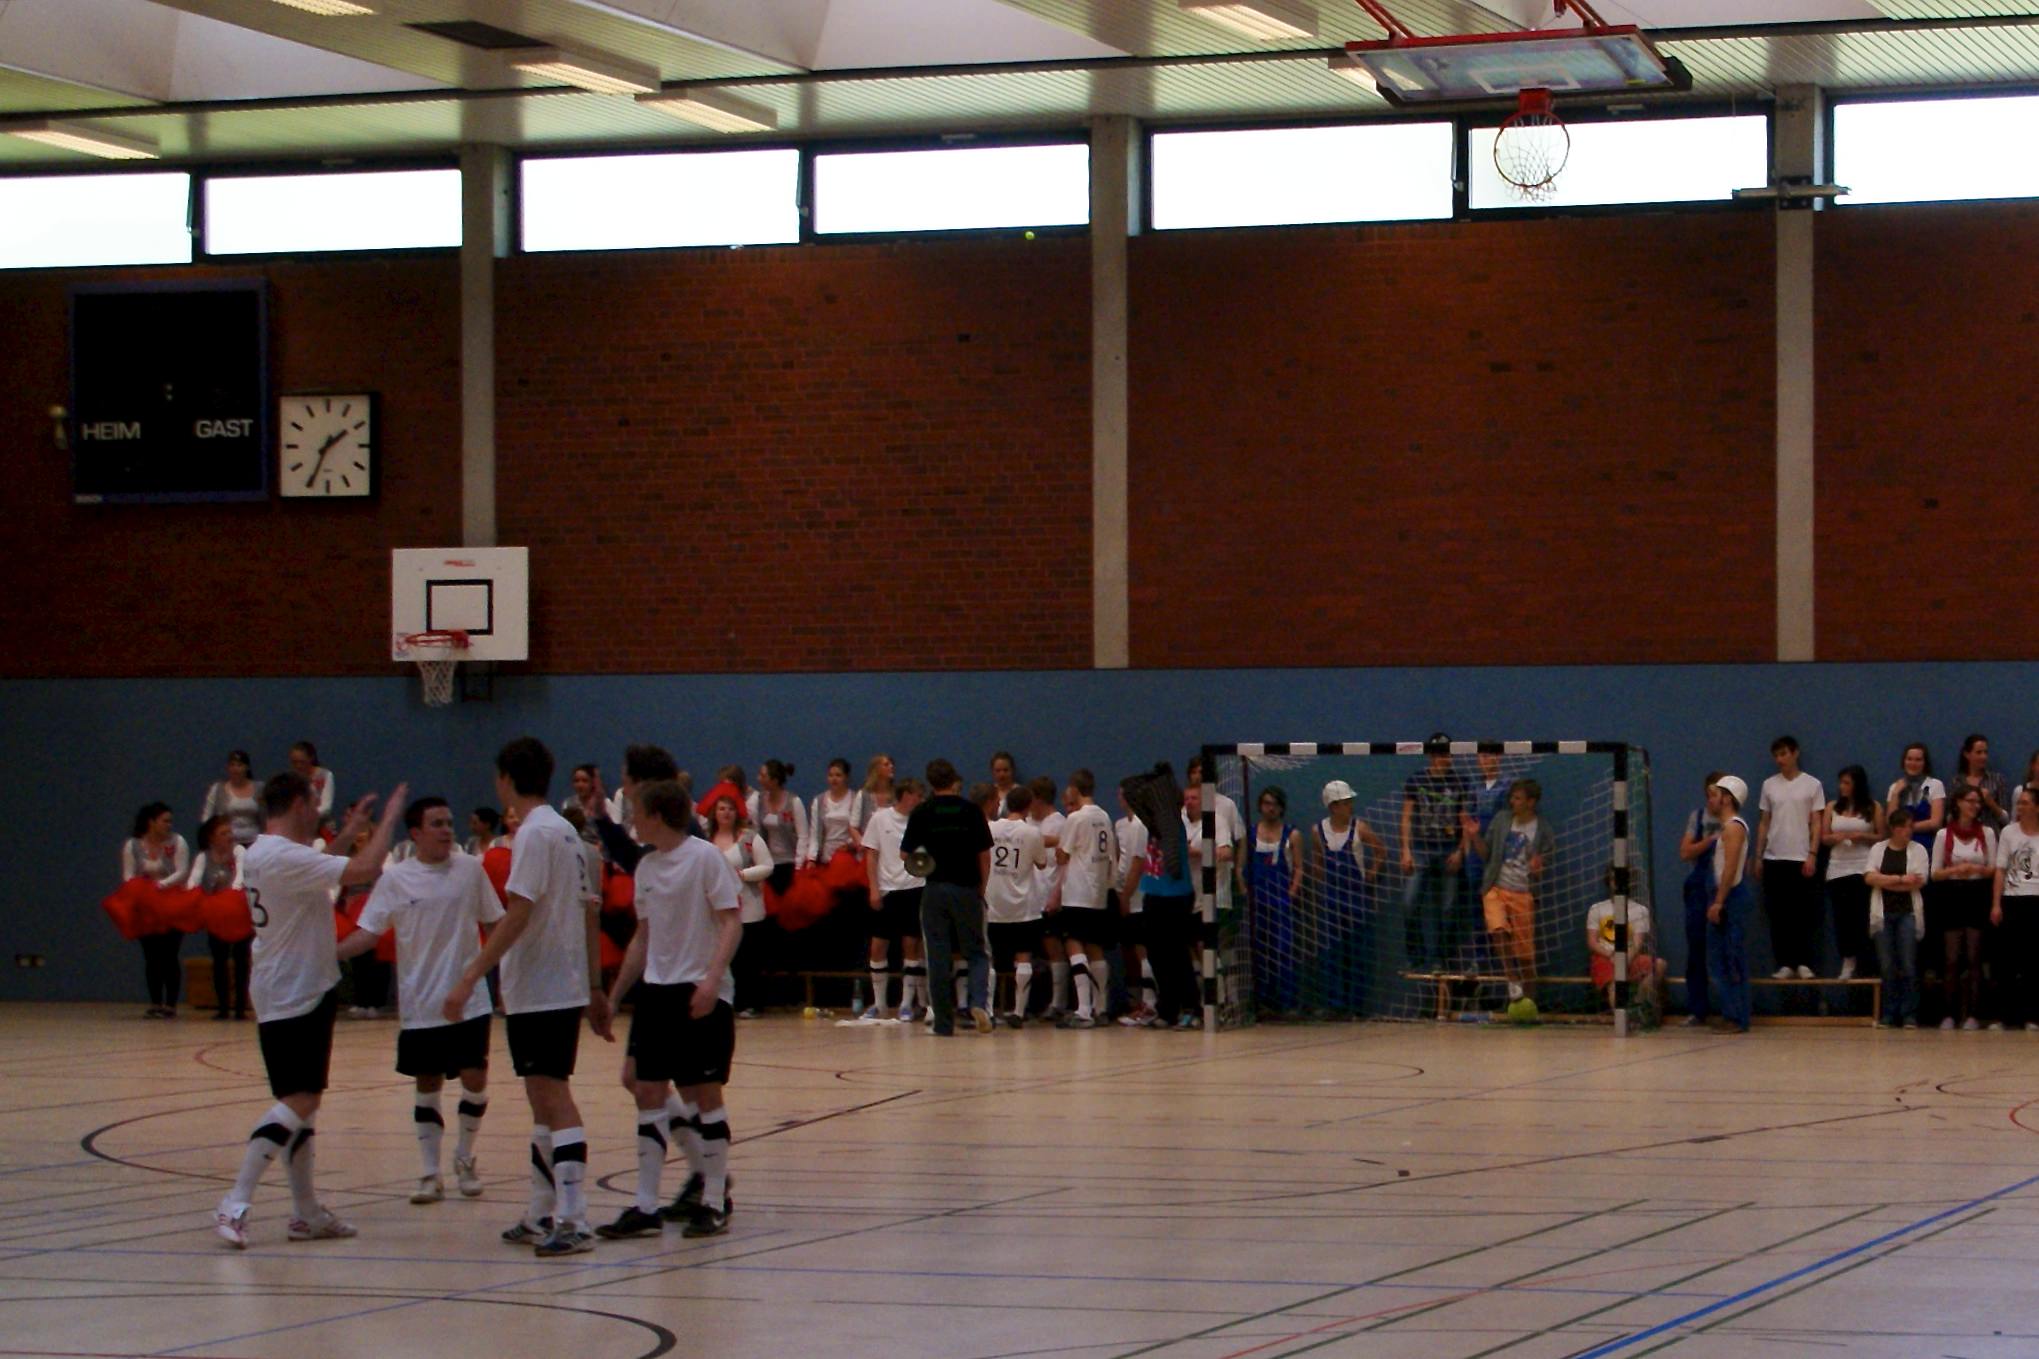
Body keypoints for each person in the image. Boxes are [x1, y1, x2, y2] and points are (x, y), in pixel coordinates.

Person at [213, 771, 405, 1248]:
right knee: (300, 1100)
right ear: (298, 804)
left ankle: (305, 1213)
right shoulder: (282, 856)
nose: (318, 810)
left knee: (301, 1106)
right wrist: (390, 819)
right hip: (297, 989)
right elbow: (362, 869)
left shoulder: (264, 852)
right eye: (313, 802)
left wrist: (350, 830)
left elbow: (318, 864)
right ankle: (236, 1200)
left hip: (282, 985)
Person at [441, 738, 611, 1258]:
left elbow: (519, 912)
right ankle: (541, 1211)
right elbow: (586, 910)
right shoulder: (565, 832)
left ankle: (574, 1218)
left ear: (506, 779)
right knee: (542, 1100)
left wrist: (472, 974)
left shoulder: (536, 834)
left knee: (553, 1096)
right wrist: (593, 986)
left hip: (543, 985)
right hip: (552, 983)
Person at [594, 780, 743, 1241]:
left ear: (657, 815)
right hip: (657, 993)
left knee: (705, 1094)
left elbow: (731, 921)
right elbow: (643, 936)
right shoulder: (647, 867)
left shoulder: (705, 858)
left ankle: (714, 1200)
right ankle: (645, 1206)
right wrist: (615, 996)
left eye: (637, 813)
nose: (632, 822)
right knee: (647, 1091)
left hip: (699, 990)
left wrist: (711, 980)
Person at [336, 797, 501, 1205]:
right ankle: (430, 1172)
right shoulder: (396, 879)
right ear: (415, 833)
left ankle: (465, 1157)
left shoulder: (470, 870)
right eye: (436, 823)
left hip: (468, 1000)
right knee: (427, 1084)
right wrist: (328, 954)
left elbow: (497, 923)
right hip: (421, 1004)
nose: (446, 830)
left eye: (448, 822)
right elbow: (369, 932)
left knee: (474, 1078)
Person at [900, 759, 993, 1036]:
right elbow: (984, 855)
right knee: (976, 952)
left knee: (937, 955)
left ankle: (943, 1022)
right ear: (954, 780)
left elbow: (905, 854)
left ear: (930, 782)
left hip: (935, 889)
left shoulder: (922, 812)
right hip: (966, 888)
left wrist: (926, 860)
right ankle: (978, 1004)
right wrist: (982, 887)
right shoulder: (971, 811)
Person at [1121, 765, 1198, 1030]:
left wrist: (1166, 785)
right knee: (1157, 956)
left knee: (1177, 955)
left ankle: (1191, 1007)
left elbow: (1174, 863)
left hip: (1176, 896)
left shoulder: (1173, 823)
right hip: (1153, 894)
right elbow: (1131, 789)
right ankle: (1168, 1008)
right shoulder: (1151, 823)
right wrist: (1154, 777)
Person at [1050, 769, 1118, 1028]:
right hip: (1098, 891)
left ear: (1076, 790)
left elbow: (1062, 855)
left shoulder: (1076, 818)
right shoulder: (1104, 816)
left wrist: (1059, 850)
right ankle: (1102, 1007)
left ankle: (1084, 1009)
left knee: (1074, 944)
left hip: (1078, 891)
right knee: (1095, 948)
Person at [699, 784, 773, 1019]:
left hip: (748, 908)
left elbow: (767, 866)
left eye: (730, 809)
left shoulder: (750, 838)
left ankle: (751, 1003)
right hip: (716, 910)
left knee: (747, 959)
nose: (726, 813)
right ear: (715, 812)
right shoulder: (705, 840)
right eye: (722, 809)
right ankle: (724, 1001)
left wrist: (742, 875)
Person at [1479, 778, 1555, 1005]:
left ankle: (1530, 1001)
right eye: (1512, 797)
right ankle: (1511, 977)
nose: (1513, 801)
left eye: (1518, 798)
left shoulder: (1543, 829)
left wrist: (1539, 865)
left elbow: (1545, 861)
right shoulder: (1502, 820)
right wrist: (1473, 836)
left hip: (1523, 892)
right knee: (1497, 928)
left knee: (1525, 956)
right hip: (1496, 887)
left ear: (1531, 802)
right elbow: (1486, 853)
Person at [1755, 736, 1824, 981]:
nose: (1780, 759)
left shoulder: (1812, 784)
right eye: (1776, 755)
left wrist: (1812, 854)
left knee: (1803, 914)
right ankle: (1784, 963)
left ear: (1795, 753)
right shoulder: (1769, 785)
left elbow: (1817, 823)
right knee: (1778, 914)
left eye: (1784, 754)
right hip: (1774, 858)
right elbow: (1764, 822)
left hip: (1801, 857)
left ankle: (1804, 962)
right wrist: (1758, 855)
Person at [1400, 735, 1470, 975]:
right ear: (1431, 755)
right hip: (1421, 849)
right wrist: (1406, 850)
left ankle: (1442, 958)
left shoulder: (1461, 781)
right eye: (1440, 754)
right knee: (1409, 904)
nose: (1445, 758)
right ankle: (1416, 955)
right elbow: (1407, 817)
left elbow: (1466, 820)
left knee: (1448, 909)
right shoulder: (1416, 780)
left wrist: (1460, 851)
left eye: (1448, 754)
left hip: (1449, 849)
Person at [1312, 781, 1383, 1016]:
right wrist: (1322, 887)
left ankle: (1357, 1005)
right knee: (1332, 952)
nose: (1351, 806)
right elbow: (1318, 862)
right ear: (1333, 806)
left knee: (1358, 952)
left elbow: (1380, 850)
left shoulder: (1359, 828)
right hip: (1332, 897)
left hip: (1356, 897)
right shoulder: (1318, 831)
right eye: (1346, 802)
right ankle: (1334, 1004)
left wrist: (1371, 874)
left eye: (1350, 802)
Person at [1932, 785, 1998, 1031]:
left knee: (1974, 957)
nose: (1974, 806)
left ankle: (1973, 1014)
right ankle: (1948, 1013)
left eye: (1977, 802)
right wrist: (1955, 870)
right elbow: (1935, 873)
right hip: (1952, 895)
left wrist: (1976, 869)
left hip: (1977, 894)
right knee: (1951, 958)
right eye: (1970, 801)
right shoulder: (1943, 834)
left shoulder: (1987, 832)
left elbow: (1993, 868)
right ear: (1958, 802)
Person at [861, 777, 925, 1021]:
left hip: (914, 887)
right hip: (887, 889)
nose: (919, 800)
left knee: (911, 945)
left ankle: (906, 1004)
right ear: (905, 795)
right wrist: (873, 888)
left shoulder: (920, 821)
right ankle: (879, 1004)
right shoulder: (880, 818)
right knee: (878, 946)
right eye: (916, 795)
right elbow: (871, 855)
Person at [986, 784, 1048, 1027]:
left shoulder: (990, 828)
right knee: (1023, 957)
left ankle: (989, 1011)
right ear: (1028, 806)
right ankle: (1018, 1012)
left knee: (989, 958)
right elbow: (1042, 863)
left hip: (994, 904)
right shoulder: (1032, 833)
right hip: (1023, 906)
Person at [122, 802, 190, 1018]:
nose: (169, 825)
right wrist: (141, 890)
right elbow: (128, 874)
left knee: (170, 954)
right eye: (165, 821)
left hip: (172, 902)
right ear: (151, 822)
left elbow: (182, 871)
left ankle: (171, 1004)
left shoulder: (177, 842)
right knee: (151, 955)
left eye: (170, 821)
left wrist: (160, 885)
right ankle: (155, 1002)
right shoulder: (133, 845)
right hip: (146, 906)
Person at [1866, 808, 1929, 1029]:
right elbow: (1870, 877)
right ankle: (1889, 1013)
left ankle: (1909, 1013)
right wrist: (1901, 879)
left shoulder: (1918, 850)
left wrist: (1887, 881)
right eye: (1903, 827)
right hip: (1883, 913)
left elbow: (1918, 881)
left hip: (1908, 913)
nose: (1908, 831)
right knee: (1887, 966)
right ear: (1894, 828)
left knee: (1908, 964)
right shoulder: (1878, 849)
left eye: (1910, 826)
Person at [1821, 765, 1884, 982]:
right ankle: (1847, 960)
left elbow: (1882, 836)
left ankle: (1866, 963)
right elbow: (1824, 837)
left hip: (1863, 867)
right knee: (1842, 918)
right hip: (1838, 868)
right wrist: (1836, 838)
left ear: (1857, 784)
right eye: (1841, 783)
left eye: (1847, 783)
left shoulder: (1873, 807)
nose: (1842, 787)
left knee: (1863, 917)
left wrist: (1862, 836)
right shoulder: (1832, 807)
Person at [1245, 787, 1305, 1014]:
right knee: (1260, 952)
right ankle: (1262, 1001)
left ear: (1281, 807)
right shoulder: (1251, 834)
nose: (1270, 808)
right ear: (1260, 806)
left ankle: (1287, 1003)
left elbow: (1299, 868)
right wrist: (1245, 892)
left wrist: (1291, 893)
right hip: (1258, 901)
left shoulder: (1292, 835)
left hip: (1281, 901)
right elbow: (1242, 866)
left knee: (1283, 951)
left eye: (1275, 804)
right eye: (1266, 803)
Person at [188, 815, 249, 1020]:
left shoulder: (239, 851)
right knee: (219, 960)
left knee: (241, 960)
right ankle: (223, 1006)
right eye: (223, 833)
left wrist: (233, 893)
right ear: (211, 838)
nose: (229, 836)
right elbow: (194, 879)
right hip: (216, 914)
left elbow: (241, 876)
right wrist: (192, 894)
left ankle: (240, 1007)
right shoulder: (203, 857)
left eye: (230, 832)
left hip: (239, 911)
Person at [1705, 775, 1753, 1035]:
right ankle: (1730, 1013)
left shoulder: (1734, 828)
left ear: (1727, 798)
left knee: (1731, 957)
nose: (1710, 800)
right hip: (1726, 894)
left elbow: (1731, 868)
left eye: (1715, 795)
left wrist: (1719, 902)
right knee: (1719, 958)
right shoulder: (1727, 828)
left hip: (1731, 896)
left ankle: (1737, 1016)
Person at [1677, 771, 1724, 1027]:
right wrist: (1709, 841)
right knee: (1696, 949)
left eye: (1716, 794)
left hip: (1723, 886)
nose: (1711, 799)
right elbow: (1685, 852)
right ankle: (1697, 1009)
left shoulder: (1734, 821)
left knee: (1726, 949)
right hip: (1698, 886)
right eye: (1708, 794)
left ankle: (1730, 1009)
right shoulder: (1697, 817)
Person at [1993, 788, 2039, 1031]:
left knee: (2033, 961)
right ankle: (2005, 1016)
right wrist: (1996, 904)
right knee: (2007, 961)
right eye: (2019, 803)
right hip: (2012, 898)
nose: (2020, 807)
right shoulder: (2009, 832)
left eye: (2026, 803)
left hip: (2036, 899)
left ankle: (2033, 1016)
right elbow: (2000, 869)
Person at [1025, 775, 1070, 1018]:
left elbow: (1064, 863)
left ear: (1039, 799)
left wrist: (1056, 895)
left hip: (1049, 895)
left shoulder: (1059, 823)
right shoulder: (1029, 822)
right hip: (1029, 899)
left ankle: (1058, 1001)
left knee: (1054, 949)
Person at [1585, 867, 1656, 1012]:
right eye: (1613, 879)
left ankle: (1639, 1006)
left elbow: (1637, 942)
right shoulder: (1597, 909)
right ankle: (1621, 1017)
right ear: (1608, 881)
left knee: (1658, 966)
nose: (1617, 883)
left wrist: (1626, 958)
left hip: (1629, 957)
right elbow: (1592, 942)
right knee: (1616, 984)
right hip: (1605, 957)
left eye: (1622, 879)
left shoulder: (1640, 910)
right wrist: (1611, 955)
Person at [1114, 792, 1158, 1027]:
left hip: (1140, 897)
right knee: (1135, 952)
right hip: (1131, 895)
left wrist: (1126, 895)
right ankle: (1144, 1002)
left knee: (1144, 951)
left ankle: (1150, 1004)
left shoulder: (1140, 825)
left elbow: (1137, 863)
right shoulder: (1124, 825)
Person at [750, 760, 808, 884]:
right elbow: (756, 830)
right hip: (769, 862)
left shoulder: (794, 802)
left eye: (763, 776)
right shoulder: (759, 800)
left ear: (774, 780)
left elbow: (803, 836)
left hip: (790, 862)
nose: (758, 779)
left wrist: (799, 866)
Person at [807, 758, 867, 868]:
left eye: (838, 775)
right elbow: (815, 833)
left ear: (846, 777)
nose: (834, 779)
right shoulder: (819, 801)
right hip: (826, 858)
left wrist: (850, 845)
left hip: (849, 858)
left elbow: (861, 829)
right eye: (831, 775)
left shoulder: (855, 799)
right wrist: (812, 859)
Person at [1886, 743, 1946, 851]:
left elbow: (1936, 823)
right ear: (1904, 761)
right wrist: (1895, 794)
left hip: (1927, 844)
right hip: (1900, 845)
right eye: (1909, 759)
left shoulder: (1935, 785)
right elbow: (1890, 823)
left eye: (1918, 760)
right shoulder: (1895, 787)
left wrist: (1905, 828)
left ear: (1925, 763)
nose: (1913, 763)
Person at [1949, 734, 2010, 833]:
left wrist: (1991, 803)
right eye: (1979, 752)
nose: (1983, 756)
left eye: (1985, 752)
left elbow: (2006, 820)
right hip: (1962, 835)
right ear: (1967, 754)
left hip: (1990, 835)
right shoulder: (1957, 782)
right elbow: (1949, 817)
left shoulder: (1997, 780)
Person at [203, 751, 263, 848]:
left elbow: (267, 816)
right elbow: (207, 817)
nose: (236, 769)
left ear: (247, 767)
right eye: (232, 765)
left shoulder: (260, 789)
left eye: (239, 765)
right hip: (228, 844)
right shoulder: (218, 789)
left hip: (255, 842)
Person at [288, 741, 334, 821]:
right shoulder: (290, 779)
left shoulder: (325, 776)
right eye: (294, 762)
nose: (298, 766)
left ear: (311, 758)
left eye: (302, 762)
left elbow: (326, 807)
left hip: (319, 823)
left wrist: (306, 817)